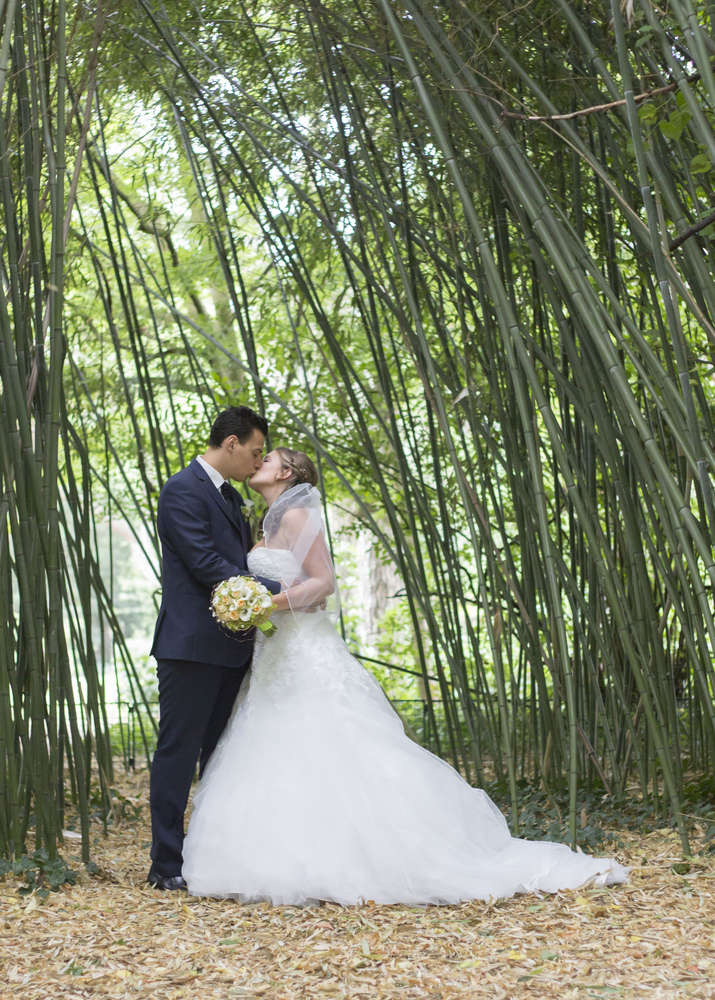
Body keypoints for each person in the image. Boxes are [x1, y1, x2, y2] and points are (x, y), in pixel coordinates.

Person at [181, 448, 628, 904]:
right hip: (274, 651)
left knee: (328, 739)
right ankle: (275, 855)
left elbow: (324, 583)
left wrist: (265, 605)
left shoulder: (295, 514)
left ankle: (354, 855)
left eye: (268, 457)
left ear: (288, 472)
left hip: (305, 649)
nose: (258, 462)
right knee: (272, 741)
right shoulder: (267, 519)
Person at [147, 406, 281, 891]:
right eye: (255, 450)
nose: (257, 460)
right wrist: (279, 587)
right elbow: (205, 561)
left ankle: (207, 857)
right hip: (189, 645)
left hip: (231, 644)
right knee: (178, 752)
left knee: (221, 754)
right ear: (230, 443)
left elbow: (231, 559)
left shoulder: (228, 496)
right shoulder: (181, 489)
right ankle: (165, 865)